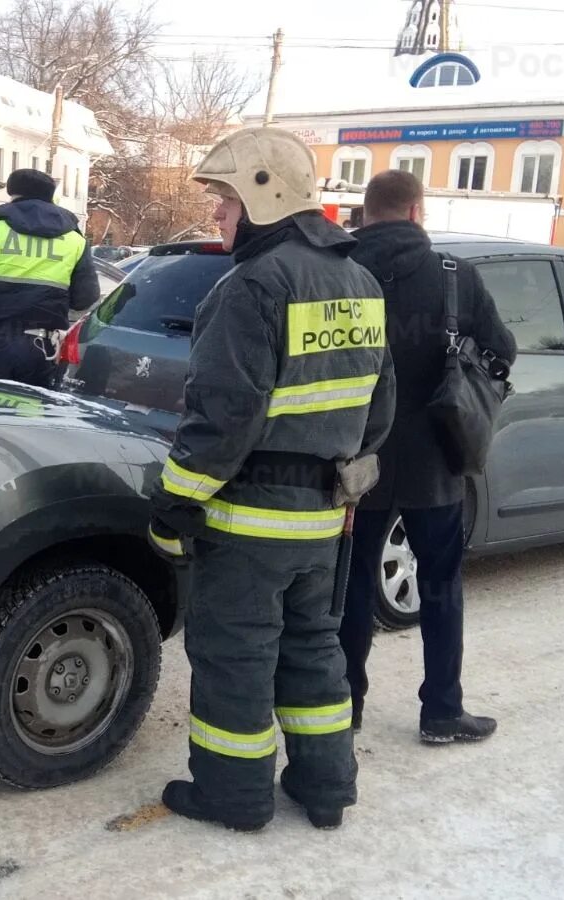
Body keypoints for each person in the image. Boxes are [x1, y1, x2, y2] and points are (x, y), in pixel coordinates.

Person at [149, 128, 396, 832]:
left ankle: (233, 796)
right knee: (313, 651)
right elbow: (381, 409)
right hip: (322, 519)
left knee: (235, 656)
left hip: (247, 522)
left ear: (265, 193)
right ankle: (326, 788)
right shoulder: (360, 281)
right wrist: (339, 473)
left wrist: (173, 507)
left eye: (224, 201)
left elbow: (223, 417)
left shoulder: (252, 286)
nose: (217, 216)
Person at [340, 169, 517, 744]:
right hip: (433, 460)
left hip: (353, 456)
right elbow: (502, 350)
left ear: (366, 214)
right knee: (440, 586)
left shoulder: (341, 274)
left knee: (352, 585)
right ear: (417, 211)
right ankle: (442, 711)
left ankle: (345, 705)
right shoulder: (455, 277)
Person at [0, 169, 99, 388]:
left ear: (14, 195)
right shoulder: (74, 239)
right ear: (50, 195)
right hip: (46, 345)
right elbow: (85, 298)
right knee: (36, 413)